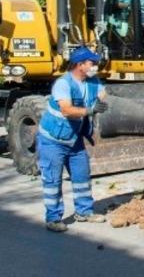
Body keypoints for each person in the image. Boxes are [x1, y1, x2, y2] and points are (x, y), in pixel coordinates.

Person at [37, 45, 108, 232]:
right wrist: (90, 110)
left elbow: (102, 94)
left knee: (82, 175)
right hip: (53, 140)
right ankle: (53, 218)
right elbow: (67, 110)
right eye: (91, 63)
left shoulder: (92, 81)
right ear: (79, 65)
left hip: (74, 139)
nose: (95, 66)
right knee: (52, 180)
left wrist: (102, 100)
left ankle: (84, 212)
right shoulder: (63, 84)